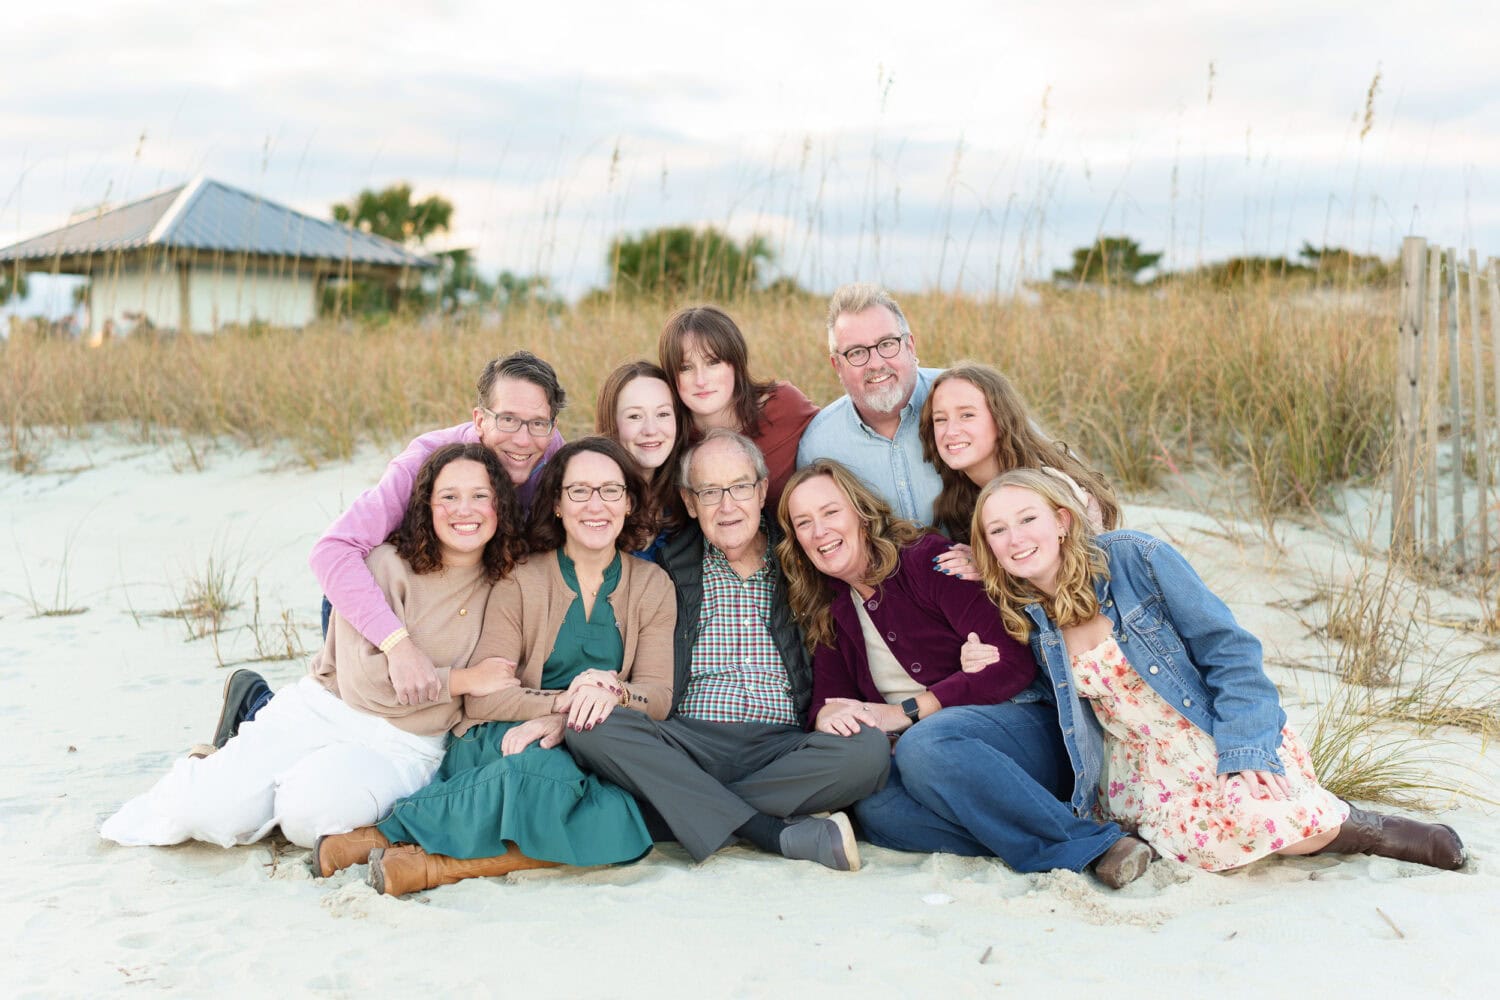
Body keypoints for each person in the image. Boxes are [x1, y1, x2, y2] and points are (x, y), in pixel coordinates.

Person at [972, 468, 1467, 874]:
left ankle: (1366, 828)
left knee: (1279, 823)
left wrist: (1244, 746)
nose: (1015, 538)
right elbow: (1041, 701)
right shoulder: (1022, 613)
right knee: (1225, 848)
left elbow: (1229, 650)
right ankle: (1315, 819)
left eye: (1027, 519)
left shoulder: (1132, 559)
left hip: (1213, 726)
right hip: (1141, 765)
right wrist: (980, 666)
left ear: (1061, 520)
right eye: (998, 530)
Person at [101, 444, 527, 850]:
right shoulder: (382, 565)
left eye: (480, 496)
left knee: (309, 816)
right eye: (448, 496)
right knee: (201, 813)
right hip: (326, 709)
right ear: (426, 506)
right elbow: (364, 684)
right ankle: (217, 764)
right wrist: (465, 680)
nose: (464, 510)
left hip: (407, 744)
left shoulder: (508, 583)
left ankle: (273, 784)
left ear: (500, 506)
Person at [314, 437, 678, 896]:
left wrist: (608, 699)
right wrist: (563, 704)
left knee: (623, 821)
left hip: (589, 745)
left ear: (628, 502)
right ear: (558, 505)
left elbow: (657, 696)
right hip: (498, 735)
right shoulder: (519, 576)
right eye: (579, 491)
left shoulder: (652, 585)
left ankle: (432, 865)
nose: (595, 505)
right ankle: (390, 836)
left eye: (610, 490)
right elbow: (488, 694)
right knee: (542, 776)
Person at [777, 459, 1154, 888]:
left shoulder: (928, 562)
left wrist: (908, 713)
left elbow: (1012, 665)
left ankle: (1096, 845)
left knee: (926, 744)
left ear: (860, 515)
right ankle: (1031, 829)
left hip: (1017, 730)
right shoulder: (831, 608)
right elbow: (832, 700)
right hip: (941, 766)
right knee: (877, 811)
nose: (820, 530)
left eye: (830, 513)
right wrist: (826, 716)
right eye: (803, 523)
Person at [204, 351, 568, 751]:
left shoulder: (549, 454)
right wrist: (396, 644)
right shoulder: (426, 462)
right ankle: (256, 709)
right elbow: (332, 551)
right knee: (360, 713)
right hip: (378, 592)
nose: (522, 438)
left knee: (430, 710)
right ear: (480, 419)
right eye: (507, 419)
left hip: (461, 594)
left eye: (537, 423)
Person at [565, 431, 889, 872]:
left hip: (781, 746)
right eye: (710, 492)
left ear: (760, 492)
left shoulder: (804, 559)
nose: (727, 505)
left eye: (739, 487)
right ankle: (768, 830)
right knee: (589, 726)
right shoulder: (665, 565)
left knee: (867, 751)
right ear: (691, 502)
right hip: (686, 739)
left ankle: (678, 808)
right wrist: (603, 686)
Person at [796, 283, 943, 526]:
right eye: (856, 352)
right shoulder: (817, 447)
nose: (875, 363)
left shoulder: (970, 395)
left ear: (910, 346)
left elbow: (1026, 473)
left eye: (886, 344)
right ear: (837, 366)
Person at [922, 362, 1120, 543]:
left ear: (1001, 420)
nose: (951, 431)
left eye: (967, 415)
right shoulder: (961, 493)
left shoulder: (1048, 490)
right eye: (940, 419)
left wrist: (984, 562)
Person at [659, 305, 818, 507]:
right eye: (685, 368)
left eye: (713, 362)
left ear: (736, 363)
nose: (701, 380)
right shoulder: (667, 435)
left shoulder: (784, 405)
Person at [594, 360, 687, 561]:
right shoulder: (591, 503)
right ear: (612, 423)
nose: (651, 430)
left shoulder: (686, 502)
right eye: (635, 416)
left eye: (663, 414)